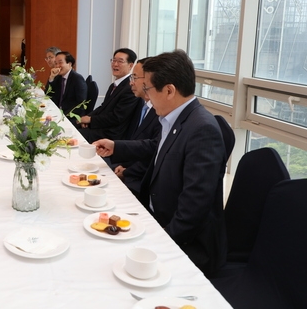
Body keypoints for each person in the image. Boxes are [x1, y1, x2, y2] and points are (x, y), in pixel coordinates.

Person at [93, 50, 227, 277]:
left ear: (169, 90)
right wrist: (117, 146)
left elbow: (193, 210)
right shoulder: (175, 116)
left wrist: (158, 245)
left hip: (184, 243)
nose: (146, 95)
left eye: (148, 89)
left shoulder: (202, 130)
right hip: (156, 214)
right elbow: (157, 147)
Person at [109, 58, 161, 198]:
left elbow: (154, 151)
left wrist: (127, 171)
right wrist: (123, 165)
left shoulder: (161, 113)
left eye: (135, 77)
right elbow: (134, 140)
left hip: (143, 180)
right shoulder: (141, 105)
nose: (131, 82)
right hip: (129, 165)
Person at [78, 48, 142, 142]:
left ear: (130, 65)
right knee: (73, 126)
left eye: (120, 61)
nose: (115, 64)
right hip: (103, 127)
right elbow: (103, 107)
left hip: (112, 134)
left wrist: (91, 120)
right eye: (114, 60)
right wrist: (86, 118)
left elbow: (116, 117)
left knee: (75, 135)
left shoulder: (130, 89)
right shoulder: (114, 85)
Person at [45, 51, 87, 123]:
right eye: (56, 63)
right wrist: (51, 78)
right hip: (57, 112)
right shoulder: (58, 77)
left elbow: (81, 104)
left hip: (71, 116)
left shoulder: (77, 79)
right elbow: (48, 94)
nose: (57, 66)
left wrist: (63, 116)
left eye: (60, 62)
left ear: (69, 64)